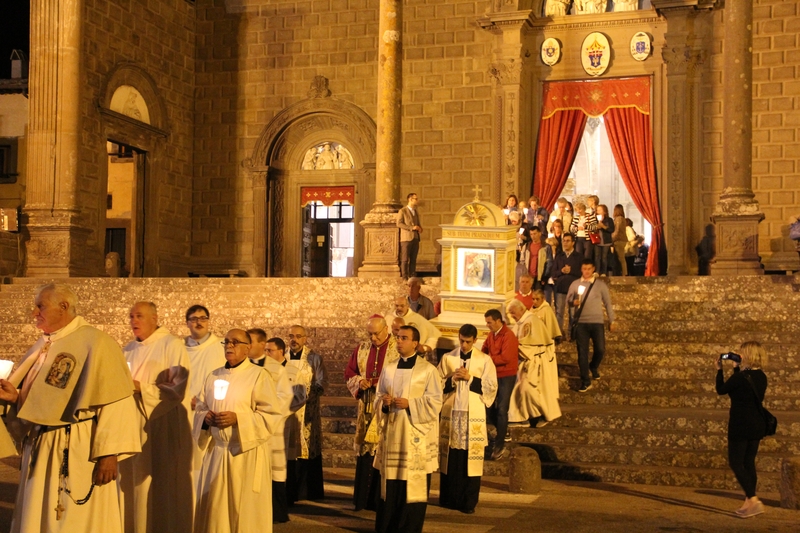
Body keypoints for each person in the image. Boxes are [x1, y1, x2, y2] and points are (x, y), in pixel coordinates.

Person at [0, 283, 141, 533]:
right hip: (41, 446)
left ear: (63, 307)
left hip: (77, 448)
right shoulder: (44, 344)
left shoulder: (96, 342)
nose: (34, 312)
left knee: (75, 520)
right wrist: (17, 397)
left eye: (40, 306)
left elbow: (117, 401)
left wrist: (109, 454)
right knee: (38, 515)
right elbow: (48, 399)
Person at [192, 329, 283, 532]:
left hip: (244, 453)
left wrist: (238, 419)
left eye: (235, 342)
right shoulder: (213, 375)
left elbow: (271, 415)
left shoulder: (259, 376)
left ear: (247, 348)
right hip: (217, 454)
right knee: (216, 512)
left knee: (242, 513)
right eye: (226, 342)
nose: (229, 346)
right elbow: (199, 407)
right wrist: (204, 417)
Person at [121, 302, 193, 533]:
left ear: (155, 318)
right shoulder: (127, 349)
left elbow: (176, 389)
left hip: (162, 425)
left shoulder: (171, 344)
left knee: (160, 486)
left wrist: (140, 388)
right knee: (132, 487)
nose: (134, 321)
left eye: (139, 316)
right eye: (131, 316)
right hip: (130, 425)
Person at [373, 325, 442, 533]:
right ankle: (388, 526)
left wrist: (410, 404)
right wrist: (384, 403)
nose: (399, 341)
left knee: (412, 486)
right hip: (394, 433)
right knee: (392, 484)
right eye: (398, 337)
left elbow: (435, 402)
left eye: (404, 338)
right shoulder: (389, 368)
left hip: (414, 437)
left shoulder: (428, 370)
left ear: (415, 343)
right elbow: (378, 396)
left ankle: (408, 527)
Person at [438, 324, 498, 515]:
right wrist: (451, 380)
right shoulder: (448, 358)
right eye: (461, 340)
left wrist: (470, 378)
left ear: (475, 340)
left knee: (469, 460)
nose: (463, 345)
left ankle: (468, 501)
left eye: (468, 341)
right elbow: (436, 383)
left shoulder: (484, 360)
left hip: (473, 416)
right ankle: (448, 498)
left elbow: (492, 387)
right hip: (453, 413)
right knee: (452, 457)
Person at [344, 315, 400, 511]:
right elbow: (349, 372)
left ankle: (379, 500)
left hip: (386, 408)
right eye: (370, 334)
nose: (373, 338)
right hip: (366, 405)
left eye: (376, 333)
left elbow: (403, 374)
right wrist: (360, 381)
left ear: (386, 329)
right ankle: (362, 499)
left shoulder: (397, 347)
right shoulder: (362, 348)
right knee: (365, 453)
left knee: (381, 451)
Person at [715, 341, 769, 518]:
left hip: (740, 423)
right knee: (748, 462)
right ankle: (748, 502)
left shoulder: (740, 378)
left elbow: (722, 390)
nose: (740, 354)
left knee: (736, 462)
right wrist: (737, 369)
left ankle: (753, 499)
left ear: (748, 354)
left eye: (742, 352)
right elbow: (737, 391)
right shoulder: (761, 376)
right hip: (757, 424)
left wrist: (719, 370)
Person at [261, 336, 308, 524]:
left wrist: (278, 412)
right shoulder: (262, 370)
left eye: (270, 351)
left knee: (282, 465)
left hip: (285, 422)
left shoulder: (292, 371)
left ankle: (285, 503)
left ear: (281, 351)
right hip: (264, 423)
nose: (266, 354)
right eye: (265, 350)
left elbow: (300, 396)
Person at [285, 325, 326, 502]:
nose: (294, 340)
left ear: (305, 338)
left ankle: (307, 492)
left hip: (307, 411)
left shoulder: (314, 358)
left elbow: (322, 382)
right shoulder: (282, 357)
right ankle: (289, 491)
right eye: (291, 336)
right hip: (286, 410)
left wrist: (304, 394)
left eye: (298, 336)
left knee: (306, 449)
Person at [507, 299, 560, 428]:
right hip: (527, 361)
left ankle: (547, 414)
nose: (512, 316)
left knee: (530, 390)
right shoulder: (521, 322)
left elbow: (529, 345)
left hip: (535, 362)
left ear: (521, 309)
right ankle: (521, 418)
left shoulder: (531, 321)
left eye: (513, 313)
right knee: (520, 390)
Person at [567, 260, 616, 392]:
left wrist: (612, 320)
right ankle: (585, 380)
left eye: (589, 269)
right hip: (581, 322)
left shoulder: (600, 285)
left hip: (597, 322)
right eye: (584, 269)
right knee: (582, 352)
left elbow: (607, 303)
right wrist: (573, 302)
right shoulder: (575, 284)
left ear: (593, 269)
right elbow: (568, 301)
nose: (586, 271)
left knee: (600, 349)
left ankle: (593, 366)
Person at [481, 309, 519, 460]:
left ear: (498, 321)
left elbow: (506, 357)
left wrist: (488, 359)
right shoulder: (492, 335)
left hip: (506, 375)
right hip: (493, 375)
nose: (487, 325)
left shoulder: (508, 336)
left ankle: (500, 444)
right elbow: (484, 349)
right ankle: (502, 430)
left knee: (502, 408)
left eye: (489, 322)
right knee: (488, 406)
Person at [184, 305, 226, 409]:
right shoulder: (178, 348)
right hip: (184, 407)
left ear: (208, 321)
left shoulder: (222, 346)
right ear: (187, 324)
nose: (199, 323)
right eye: (194, 319)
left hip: (213, 407)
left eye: (203, 318)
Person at [551, 233, 583, 336]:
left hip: (573, 289)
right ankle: (559, 334)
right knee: (559, 312)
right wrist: (561, 271)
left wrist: (571, 270)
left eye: (568, 241)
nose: (565, 243)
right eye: (564, 240)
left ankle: (571, 334)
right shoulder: (559, 256)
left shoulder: (579, 257)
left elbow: (582, 273)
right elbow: (553, 272)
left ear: (573, 243)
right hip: (560, 288)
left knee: (573, 313)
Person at [397, 192, 422, 280]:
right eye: (416, 199)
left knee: (413, 258)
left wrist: (420, 228)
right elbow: (399, 223)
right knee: (405, 259)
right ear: (410, 199)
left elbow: (417, 223)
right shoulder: (403, 211)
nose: (417, 200)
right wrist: (411, 228)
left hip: (415, 237)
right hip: (406, 238)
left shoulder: (415, 211)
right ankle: (404, 277)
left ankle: (412, 275)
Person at [594, 204, 615, 276]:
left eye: (600, 210)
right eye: (597, 210)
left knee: (604, 257)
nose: (598, 211)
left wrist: (603, 226)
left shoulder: (609, 220)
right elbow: (591, 229)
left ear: (605, 211)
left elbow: (612, 229)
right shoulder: (595, 219)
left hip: (606, 241)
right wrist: (596, 227)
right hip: (597, 241)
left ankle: (603, 272)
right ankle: (597, 271)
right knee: (597, 257)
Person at [542, 236, 560, 307]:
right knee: (547, 302)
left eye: (551, 245)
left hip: (556, 281)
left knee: (557, 303)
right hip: (547, 281)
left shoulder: (559, 256)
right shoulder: (545, 256)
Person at [611, 205, 628, 276]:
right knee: (621, 257)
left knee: (621, 258)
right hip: (622, 239)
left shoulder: (619, 219)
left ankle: (624, 273)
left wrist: (612, 238)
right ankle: (624, 272)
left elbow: (617, 230)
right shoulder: (622, 219)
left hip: (619, 240)